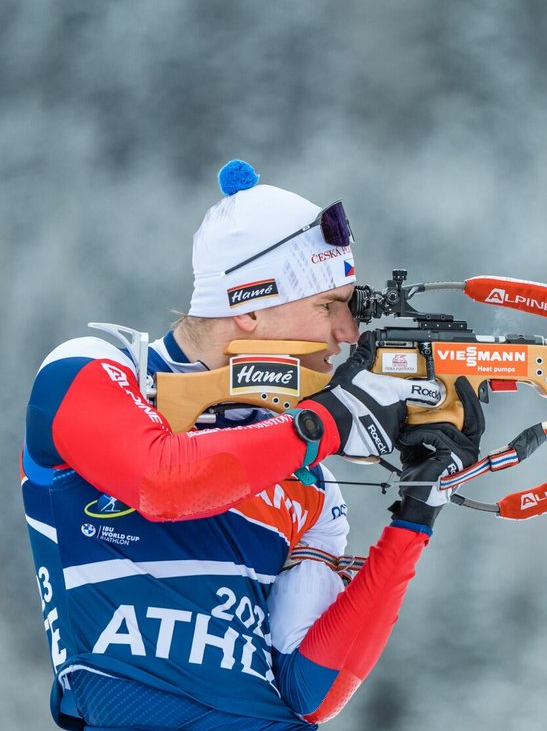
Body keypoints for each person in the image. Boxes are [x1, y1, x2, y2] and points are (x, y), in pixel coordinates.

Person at [21, 160, 485, 729]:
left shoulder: (312, 479)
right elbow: (162, 482)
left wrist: (418, 508)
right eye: (327, 306)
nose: (349, 334)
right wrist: (326, 423)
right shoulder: (91, 369)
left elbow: (309, 690)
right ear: (248, 307)